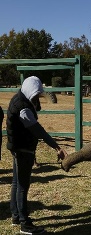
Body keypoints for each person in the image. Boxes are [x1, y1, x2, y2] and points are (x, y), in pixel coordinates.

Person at [6, 76, 68, 234]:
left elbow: (35, 112)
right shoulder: (23, 108)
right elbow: (38, 130)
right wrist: (56, 147)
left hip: (18, 147)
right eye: (35, 95)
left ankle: (15, 215)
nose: (36, 98)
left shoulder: (20, 98)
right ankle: (24, 224)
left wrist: (35, 101)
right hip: (22, 149)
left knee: (16, 182)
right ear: (29, 91)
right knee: (22, 186)